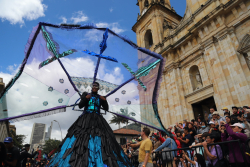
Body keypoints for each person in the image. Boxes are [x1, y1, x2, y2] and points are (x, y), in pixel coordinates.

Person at [48, 82, 131, 167]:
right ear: (91, 87)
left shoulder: (101, 97)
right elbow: (80, 106)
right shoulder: (85, 94)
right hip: (85, 120)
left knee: (103, 139)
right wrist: (85, 98)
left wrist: (105, 101)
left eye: (96, 86)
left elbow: (106, 109)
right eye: (93, 86)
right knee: (80, 138)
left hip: (98, 120)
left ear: (98, 88)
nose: (94, 87)